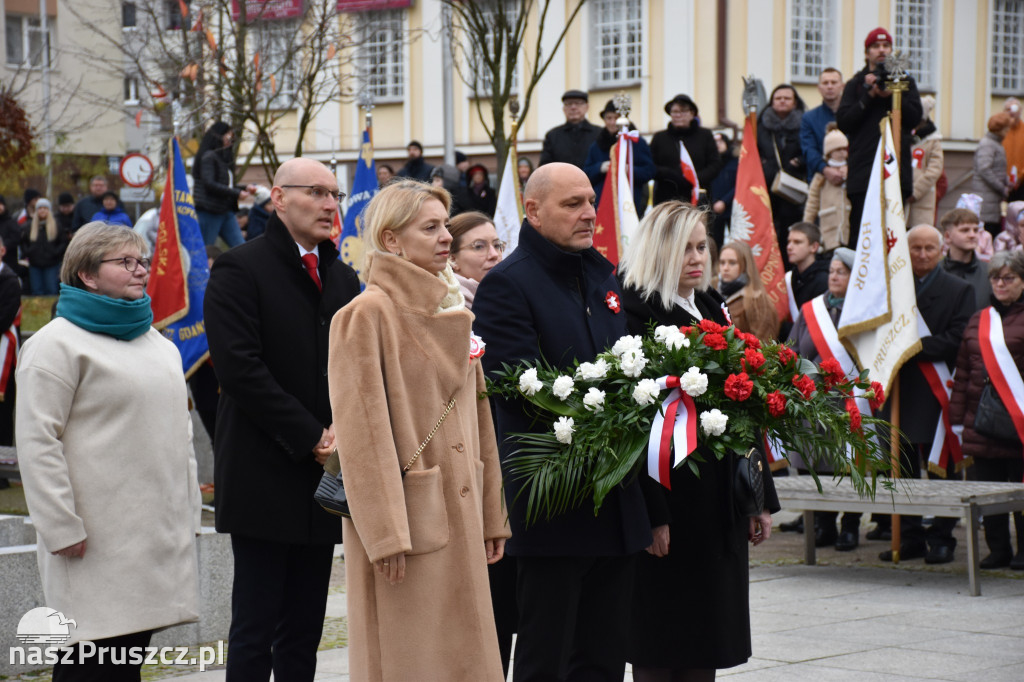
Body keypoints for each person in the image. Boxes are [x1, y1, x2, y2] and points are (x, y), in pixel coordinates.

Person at [474, 163, 652, 681]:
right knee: (545, 659)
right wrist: (613, 414)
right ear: (532, 210)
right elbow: (520, 391)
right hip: (554, 506)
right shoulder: (507, 285)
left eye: (590, 201)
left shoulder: (602, 274)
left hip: (616, 501)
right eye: (572, 204)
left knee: (602, 658)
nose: (589, 213)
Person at [328, 180, 509, 681]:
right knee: (412, 659)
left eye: (444, 226)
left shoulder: (449, 309)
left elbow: (480, 418)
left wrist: (493, 513)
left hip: (461, 510)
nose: (445, 238)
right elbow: (361, 433)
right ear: (391, 240)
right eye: (429, 228)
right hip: (408, 521)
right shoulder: (365, 315)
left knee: (465, 660)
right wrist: (384, 534)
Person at [16, 222, 201, 679]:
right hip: (92, 540)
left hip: (154, 533)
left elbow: (179, 434)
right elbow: (38, 444)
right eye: (125, 262)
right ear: (87, 275)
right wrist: (60, 526)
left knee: (126, 661)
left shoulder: (156, 341)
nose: (141, 271)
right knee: (89, 661)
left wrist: (189, 509)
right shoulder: (53, 346)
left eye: (141, 261)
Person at [204, 158, 361, 681]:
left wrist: (343, 431)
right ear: (278, 198)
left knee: (304, 629)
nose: (330, 204)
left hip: (324, 479)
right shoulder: (239, 268)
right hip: (264, 472)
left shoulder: (343, 277)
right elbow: (240, 370)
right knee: (256, 625)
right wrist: (313, 435)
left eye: (334, 194)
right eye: (316, 192)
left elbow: (356, 365)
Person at [618, 202, 779, 679]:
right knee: (662, 643)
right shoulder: (636, 311)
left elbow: (742, 408)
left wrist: (756, 497)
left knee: (707, 643)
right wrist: (652, 514)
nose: (698, 257)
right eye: (685, 247)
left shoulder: (710, 305)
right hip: (672, 498)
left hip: (719, 500)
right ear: (660, 250)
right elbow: (633, 423)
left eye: (701, 246)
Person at [874, 225, 975, 564]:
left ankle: (943, 537)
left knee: (940, 466)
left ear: (941, 248)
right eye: (914, 247)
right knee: (900, 466)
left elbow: (959, 337)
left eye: (929, 248)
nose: (921, 254)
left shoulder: (959, 289)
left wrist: (911, 347)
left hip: (936, 389)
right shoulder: (891, 289)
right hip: (900, 388)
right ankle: (910, 535)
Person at [949, 250, 1024, 570]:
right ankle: (998, 549)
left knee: (1019, 489)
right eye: (995, 277)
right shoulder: (979, 319)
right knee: (988, 490)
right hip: (981, 419)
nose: (1001, 283)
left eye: (1009, 277)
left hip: (1018, 420)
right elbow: (963, 373)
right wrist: (956, 420)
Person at [788, 247, 864, 550]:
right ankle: (823, 523)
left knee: (845, 466)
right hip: (810, 402)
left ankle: (850, 526)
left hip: (847, 401)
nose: (834, 276)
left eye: (841, 271)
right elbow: (791, 349)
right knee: (811, 462)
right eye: (832, 271)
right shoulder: (811, 311)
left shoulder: (863, 312)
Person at [837, 27, 923, 243]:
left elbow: (914, 119)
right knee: (861, 235)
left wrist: (894, 94)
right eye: (875, 46)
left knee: (893, 235)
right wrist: (870, 95)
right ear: (867, 53)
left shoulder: (906, 82)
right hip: (864, 173)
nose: (881, 50)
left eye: (886, 46)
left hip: (895, 170)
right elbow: (844, 122)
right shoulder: (856, 84)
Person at [758, 83, 807, 265]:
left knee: (790, 231)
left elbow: (810, 148)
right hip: (766, 187)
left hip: (793, 190)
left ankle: (788, 267)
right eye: (778, 98)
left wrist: (800, 161)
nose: (782, 101)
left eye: (787, 98)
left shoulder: (804, 122)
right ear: (772, 102)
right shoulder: (761, 124)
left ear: (795, 103)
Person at [584, 99, 656, 218]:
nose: (613, 122)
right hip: (603, 203)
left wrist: (629, 169)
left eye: (616, 118)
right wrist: (601, 167)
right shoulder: (596, 144)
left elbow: (650, 171)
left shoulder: (636, 142)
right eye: (609, 118)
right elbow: (586, 172)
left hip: (631, 202)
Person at [650, 94, 721, 207]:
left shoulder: (705, 135)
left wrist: (695, 178)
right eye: (674, 111)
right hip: (666, 197)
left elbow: (715, 164)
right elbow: (651, 165)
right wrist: (669, 174)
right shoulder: (660, 138)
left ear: (692, 114)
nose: (678, 115)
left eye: (683, 111)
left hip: (697, 196)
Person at [193, 121, 256, 248]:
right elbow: (210, 184)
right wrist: (237, 193)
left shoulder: (221, 159)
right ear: (218, 136)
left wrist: (244, 188)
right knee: (205, 250)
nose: (230, 141)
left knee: (241, 248)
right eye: (228, 136)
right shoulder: (209, 157)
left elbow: (227, 186)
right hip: (210, 211)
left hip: (225, 211)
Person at [717, 240, 780, 343]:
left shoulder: (758, 302)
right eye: (722, 262)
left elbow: (764, 347)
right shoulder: (715, 293)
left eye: (732, 263)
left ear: (745, 265)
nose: (725, 268)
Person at [803, 126, 851, 251]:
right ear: (829, 153)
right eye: (837, 150)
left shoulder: (851, 171)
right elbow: (812, 202)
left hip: (849, 226)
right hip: (828, 227)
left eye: (844, 149)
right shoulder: (821, 176)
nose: (842, 153)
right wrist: (806, 227)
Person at [448, 210, 505, 307]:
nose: (494, 254)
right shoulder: (450, 305)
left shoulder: (510, 293)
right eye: (479, 246)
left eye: (496, 245)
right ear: (452, 259)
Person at [972, 112, 1014, 238]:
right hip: (986, 199)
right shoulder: (988, 144)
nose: (1008, 131)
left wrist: (1007, 180)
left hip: (992, 199)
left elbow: (997, 169)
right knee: (988, 233)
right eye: (1007, 128)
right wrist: (1002, 188)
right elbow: (984, 169)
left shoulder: (996, 144)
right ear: (1000, 129)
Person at [941, 208, 992, 310]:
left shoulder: (990, 272)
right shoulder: (936, 271)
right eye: (965, 230)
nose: (972, 235)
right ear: (947, 236)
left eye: (976, 230)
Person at [800, 68, 844, 184]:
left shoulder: (853, 113)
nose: (830, 87)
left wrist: (849, 168)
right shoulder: (809, 118)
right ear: (819, 88)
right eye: (825, 83)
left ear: (842, 86)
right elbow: (809, 149)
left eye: (834, 82)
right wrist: (824, 169)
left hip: (852, 178)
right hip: (820, 181)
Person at [539, 89, 601, 169]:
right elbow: (545, 166)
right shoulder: (552, 136)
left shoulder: (599, 134)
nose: (573, 107)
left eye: (578, 103)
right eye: (569, 104)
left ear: (587, 107)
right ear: (564, 109)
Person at [907, 95, 944, 227]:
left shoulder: (933, 141)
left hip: (921, 200)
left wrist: (915, 192)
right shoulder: (906, 136)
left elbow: (934, 170)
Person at [0, 240, 19, 491]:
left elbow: (4, 317)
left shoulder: (10, 280)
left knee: (2, 414)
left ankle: (2, 471)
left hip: (2, 353)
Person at [23, 198, 69, 296]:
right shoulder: (29, 226)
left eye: (45, 208)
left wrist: (55, 253)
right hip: (34, 264)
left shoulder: (56, 225)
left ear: (49, 210)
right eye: (40, 208)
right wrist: (29, 252)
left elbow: (63, 242)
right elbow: (23, 242)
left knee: (51, 290)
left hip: (52, 263)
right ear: (36, 210)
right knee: (36, 290)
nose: (42, 210)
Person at [709, 131, 739, 247]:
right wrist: (715, 201)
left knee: (736, 240)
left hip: (732, 206)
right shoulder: (711, 163)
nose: (717, 144)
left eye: (720, 141)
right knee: (715, 242)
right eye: (714, 142)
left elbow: (738, 184)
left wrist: (724, 201)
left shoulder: (735, 161)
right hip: (714, 207)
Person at [1003, 98, 1024, 203]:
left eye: (1015, 109)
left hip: (1022, 182)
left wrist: (1020, 177)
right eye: (1008, 109)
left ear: (1020, 111)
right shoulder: (1001, 131)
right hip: (1002, 181)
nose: (1012, 112)